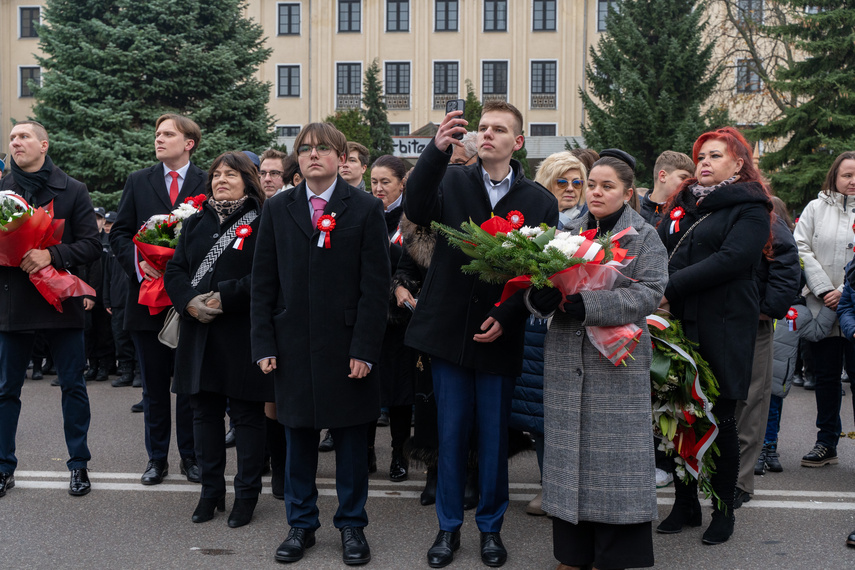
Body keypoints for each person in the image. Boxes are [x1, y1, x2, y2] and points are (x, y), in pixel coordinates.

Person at [404, 100, 558, 568]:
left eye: (499, 129)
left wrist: (509, 315)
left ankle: (491, 529)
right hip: (449, 332)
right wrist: (435, 150)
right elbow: (415, 207)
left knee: (492, 439)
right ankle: (448, 529)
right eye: (483, 128)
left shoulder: (538, 200)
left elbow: (540, 272)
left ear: (518, 142)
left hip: (500, 334)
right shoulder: (451, 180)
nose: (487, 134)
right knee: (451, 435)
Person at [251, 122, 390, 565]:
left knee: (350, 443)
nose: (314, 155)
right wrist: (264, 344)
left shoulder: (366, 208)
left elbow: (376, 287)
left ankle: (352, 525)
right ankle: (301, 524)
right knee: (298, 442)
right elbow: (263, 283)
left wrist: (365, 349)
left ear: (341, 158)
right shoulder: (278, 209)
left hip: (347, 347)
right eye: (306, 149)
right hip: (292, 347)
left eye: (324, 149)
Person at [526, 149, 668, 570]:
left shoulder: (644, 236)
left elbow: (649, 293)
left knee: (614, 468)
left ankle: (613, 558)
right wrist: (542, 298)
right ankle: (571, 555)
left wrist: (585, 305)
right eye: (592, 184)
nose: (596, 192)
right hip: (567, 360)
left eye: (607, 186)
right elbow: (535, 287)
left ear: (627, 192)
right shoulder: (568, 233)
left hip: (615, 366)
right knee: (570, 463)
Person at [656, 126, 772, 545]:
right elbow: (663, 251)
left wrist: (669, 288)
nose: (704, 163)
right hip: (679, 323)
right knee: (678, 414)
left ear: (738, 164)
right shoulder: (684, 205)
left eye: (715, 156)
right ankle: (684, 503)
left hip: (722, 325)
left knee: (719, 417)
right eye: (701, 155)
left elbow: (732, 259)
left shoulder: (751, 207)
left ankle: (722, 511)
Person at [164, 151, 272, 528]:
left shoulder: (264, 219)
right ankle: (211, 492)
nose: (220, 180)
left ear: (248, 179)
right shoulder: (195, 221)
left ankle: (246, 495)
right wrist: (188, 301)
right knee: (203, 415)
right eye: (216, 175)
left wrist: (226, 296)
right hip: (199, 330)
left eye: (230, 174)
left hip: (242, 332)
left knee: (246, 417)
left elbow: (267, 275)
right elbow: (175, 268)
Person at [0, 120, 101, 497]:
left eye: (24, 136)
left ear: (44, 144)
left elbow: (92, 245)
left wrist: (50, 254)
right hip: (13, 301)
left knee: (73, 386)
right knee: (6, 389)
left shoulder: (72, 190)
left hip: (60, 299)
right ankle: (3, 466)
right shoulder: (1, 191)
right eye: (12, 138)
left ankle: (78, 465)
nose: (16, 142)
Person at [110, 113, 206, 485]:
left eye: (168, 134)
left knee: (188, 386)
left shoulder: (205, 182)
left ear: (189, 143)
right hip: (147, 302)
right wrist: (141, 263)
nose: (159, 139)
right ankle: (156, 459)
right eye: (157, 134)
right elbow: (119, 233)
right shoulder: (139, 181)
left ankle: (190, 457)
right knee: (153, 388)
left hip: (188, 302)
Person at [733, 195, 800, 507]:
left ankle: (741, 481)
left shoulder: (768, 216)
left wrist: (768, 308)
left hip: (753, 322)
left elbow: (787, 263)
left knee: (752, 400)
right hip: (719, 318)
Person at [793, 151, 855, 469]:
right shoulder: (816, 208)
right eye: (847, 175)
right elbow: (800, 247)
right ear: (834, 176)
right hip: (821, 308)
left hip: (853, 308)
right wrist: (824, 289)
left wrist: (845, 292)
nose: (852, 181)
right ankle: (826, 442)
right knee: (827, 378)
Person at [365, 154, 415, 483]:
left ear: (401, 184)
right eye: (374, 182)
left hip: (399, 318)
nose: (379, 188)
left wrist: (400, 286)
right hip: (366, 313)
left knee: (399, 392)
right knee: (365, 386)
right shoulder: (363, 212)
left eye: (386, 182)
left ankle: (399, 453)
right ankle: (365, 451)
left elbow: (414, 264)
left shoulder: (412, 218)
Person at [102, 210, 137, 387]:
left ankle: (138, 372)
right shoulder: (113, 250)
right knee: (120, 338)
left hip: (134, 299)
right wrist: (107, 300)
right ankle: (126, 371)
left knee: (135, 338)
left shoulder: (135, 245)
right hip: (116, 301)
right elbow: (107, 277)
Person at [82, 207, 115, 383]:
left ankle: (104, 366)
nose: (95, 222)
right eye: (92, 218)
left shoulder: (109, 241)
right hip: (87, 295)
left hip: (104, 295)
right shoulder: (85, 240)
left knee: (104, 333)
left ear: (103, 221)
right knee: (89, 332)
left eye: (98, 219)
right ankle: (92, 364)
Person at [534, 151, 588, 228]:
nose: (570, 189)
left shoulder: (592, 217)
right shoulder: (532, 213)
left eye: (576, 183)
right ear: (546, 185)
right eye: (562, 182)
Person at [639, 151, 694, 227]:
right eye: (683, 178)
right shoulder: (634, 209)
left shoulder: (686, 214)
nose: (687, 183)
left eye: (690, 180)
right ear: (663, 176)